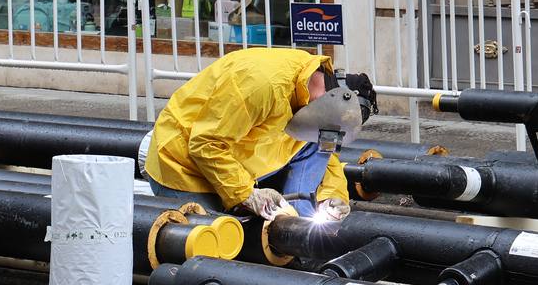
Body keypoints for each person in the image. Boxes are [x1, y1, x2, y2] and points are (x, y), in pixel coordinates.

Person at [143, 48, 378, 221]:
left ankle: (299, 219)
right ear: (334, 99)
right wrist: (247, 194)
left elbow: (325, 152)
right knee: (223, 236)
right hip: (182, 163)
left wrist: (333, 196)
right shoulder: (261, 85)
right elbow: (205, 143)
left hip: (238, 154)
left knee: (313, 147)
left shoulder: (314, 98)